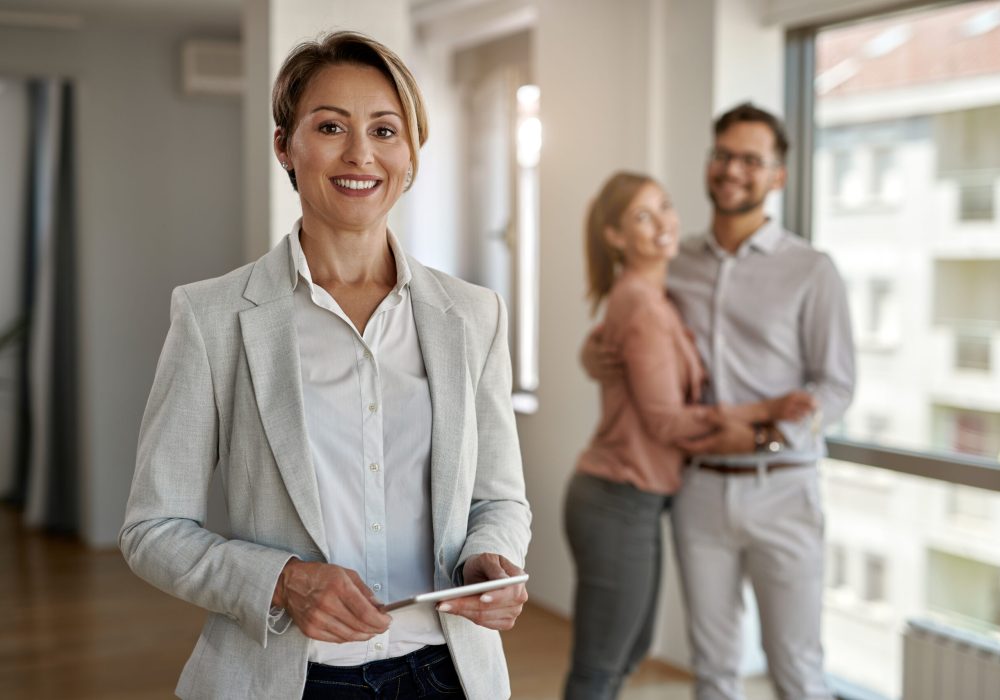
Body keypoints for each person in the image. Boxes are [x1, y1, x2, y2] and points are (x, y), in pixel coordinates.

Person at [119, 31, 531, 700]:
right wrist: (281, 580)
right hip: (289, 679)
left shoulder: (472, 315)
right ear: (286, 145)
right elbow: (152, 530)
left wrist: (493, 557)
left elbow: (500, 497)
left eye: (386, 129)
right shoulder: (212, 316)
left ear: (412, 153)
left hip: (447, 673)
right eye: (331, 126)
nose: (360, 153)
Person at [583, 103, 855, 700]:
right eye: (724, 155)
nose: (733, 170)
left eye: (751, 161)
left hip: (784, 487)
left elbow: (835, 387)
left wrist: (767, 436)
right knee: (713, 671)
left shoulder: (812, 270)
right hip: (698, 489)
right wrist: (591, 354)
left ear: (777, 177)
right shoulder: (673, 264)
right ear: (710, 163)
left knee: (797, 670)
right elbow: (624, 327)